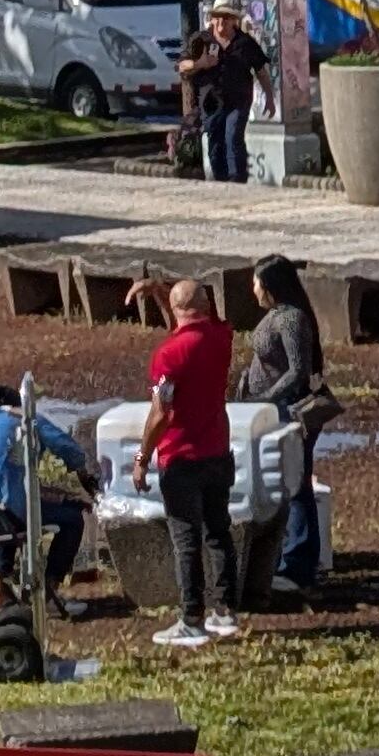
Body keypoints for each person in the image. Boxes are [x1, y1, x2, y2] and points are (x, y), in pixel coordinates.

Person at [145, 278, 241, 649]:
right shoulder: (221, 336)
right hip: (217, 450)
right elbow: (190, 317)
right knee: (218, 530)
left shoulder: (168, 355)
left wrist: (141, 456)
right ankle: (225, 611)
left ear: (174, 307)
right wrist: (162, 291)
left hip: (181, 456)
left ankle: (191, 618)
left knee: (185, 540)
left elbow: (160, 413)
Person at [238, 253, 334, 591]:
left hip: (290, 412)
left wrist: (266, 398)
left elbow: (298, 371)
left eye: (256, 281)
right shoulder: (274, 316)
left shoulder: (292, 319)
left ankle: (299, 562)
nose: (252, 288)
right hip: (270, 412)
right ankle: (281, 554)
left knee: (296, 484)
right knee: (276, 482)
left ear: (270, 285)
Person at [0, 385, 100, 618]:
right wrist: (84, 475)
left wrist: (56, 492)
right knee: (72, 519)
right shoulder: (28, 419)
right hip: (3, 513)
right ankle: (48, 595)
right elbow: (70, 450)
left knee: (5, 510)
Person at [179, 2, 264, 184]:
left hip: (238, 99)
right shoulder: (201, 40)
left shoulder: (245, 42)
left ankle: (237, 179)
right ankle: (220, 180)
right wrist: (200, 64)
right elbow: (182, 65)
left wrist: (270, 98)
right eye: (216, 17)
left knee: (233, 136)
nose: (220, 23)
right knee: (215, 141)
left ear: (233, 21)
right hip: (210, 101)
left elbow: (260, 69)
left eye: (225, 18)